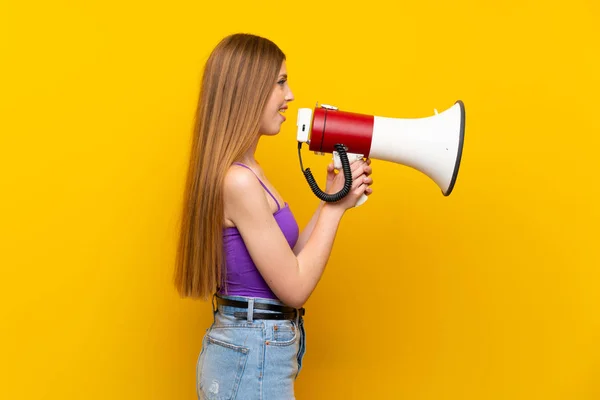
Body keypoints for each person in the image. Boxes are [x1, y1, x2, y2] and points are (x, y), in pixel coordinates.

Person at [174, 33, 374, 400]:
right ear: (247, 89)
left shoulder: (249, 171)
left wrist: (334, 194)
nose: (290, 95)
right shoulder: (238, 181)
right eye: (280, 82)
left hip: (257, 351)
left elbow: (289, 260)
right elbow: (294, 289)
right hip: (251, 356)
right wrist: (335, 208)